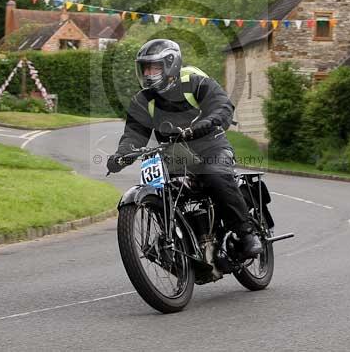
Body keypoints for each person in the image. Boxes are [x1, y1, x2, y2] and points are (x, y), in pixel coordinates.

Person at [107, 39, 262, 258]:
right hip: (175, 157)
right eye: (145, 68)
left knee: (215, 176)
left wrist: (201, 126)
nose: (149, 74)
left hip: (211, 147)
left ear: (171, 64)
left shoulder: (195, 82)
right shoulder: (143, 100)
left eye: (154, 67)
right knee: (163, 190)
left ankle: (246, 233)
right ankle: (177, 240)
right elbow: (134, 135)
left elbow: (222, 106)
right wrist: (121, 156)